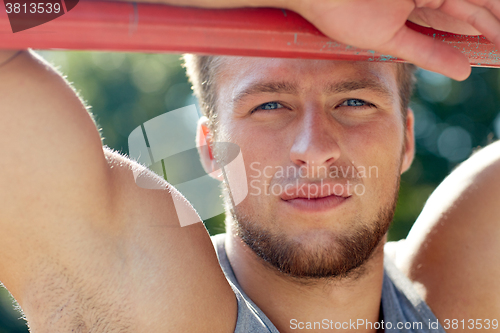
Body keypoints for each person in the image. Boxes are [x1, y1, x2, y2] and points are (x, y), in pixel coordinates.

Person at [0, 0, 499, 332]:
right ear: (212, 148)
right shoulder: (147, 301)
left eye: (353, 102)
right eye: (269, 106)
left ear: (407, 138)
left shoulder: (466, 296)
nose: (314, 147)